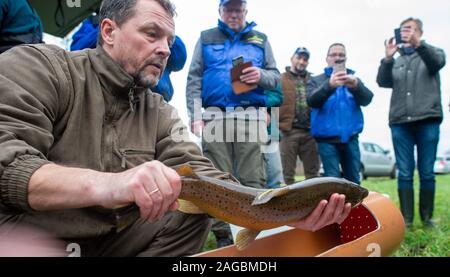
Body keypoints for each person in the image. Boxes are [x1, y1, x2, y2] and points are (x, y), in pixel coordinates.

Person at [0, 0, 352, 257]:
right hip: (32, 235)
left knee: (192, 212)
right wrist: (109, 184)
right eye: (152, 34)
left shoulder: (159, 109)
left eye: (169, 40)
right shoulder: (40, 66)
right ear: (108, 32)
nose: (165, 49)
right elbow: (7, 162)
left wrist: (285, 214)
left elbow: (199, 170)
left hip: (112, 239)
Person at [185, 0, 281, 247]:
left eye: (238, 9)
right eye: (229, 9)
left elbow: (275, 77)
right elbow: (194, 76)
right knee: (215, 180)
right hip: (214, 115)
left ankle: (254, 231)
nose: (234, 14)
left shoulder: (261, 39)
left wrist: (261, 76)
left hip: (251, 115)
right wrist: (195, 114)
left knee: (253, 177)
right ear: (220, 11)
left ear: (246, 12)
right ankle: (224, 236)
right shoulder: (206, 37)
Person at [376, 18, 446, 228]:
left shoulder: (433, 52)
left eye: (411, 30)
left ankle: (427, 218)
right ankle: (406, 220)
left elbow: (437, 63)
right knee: (404, 173)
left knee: (426, 171)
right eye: (403, 29)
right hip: (400, 122)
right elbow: (383, 81)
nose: (406, 33)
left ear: (420, 33)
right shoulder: (396, 61)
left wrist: (419, 45)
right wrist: (387, 58)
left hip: (428, 120)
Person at [70, 15, 187, 102]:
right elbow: (77, 48)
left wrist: (160, 31)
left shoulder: (156, 21)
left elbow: (179, 61)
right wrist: (120, 28)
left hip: (156, 97)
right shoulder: (93, 21)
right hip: (108, 95)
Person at [307, 43, 374, 185]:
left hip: (351, 138)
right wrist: (329, 85)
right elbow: (312, 101)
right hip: (326, 141)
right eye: (333, 55)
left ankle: (354, 208)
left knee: (354, 181)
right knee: (332, 182)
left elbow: (367, 99)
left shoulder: (354, 80)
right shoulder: (316, 80)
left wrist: (357, 86)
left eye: (341, 55)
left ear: (345, 59)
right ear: (327, 59)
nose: (337, 58)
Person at [279, 47, 320, 184]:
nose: (302, 61)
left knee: (313, 175)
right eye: (299, 58)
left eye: (305, 59)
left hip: (310, 133)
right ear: (292, 58)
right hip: (287, 132)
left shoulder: (313, 80)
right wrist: (273, 135)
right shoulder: (280, 78)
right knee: (287, 174)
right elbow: (271, 105)